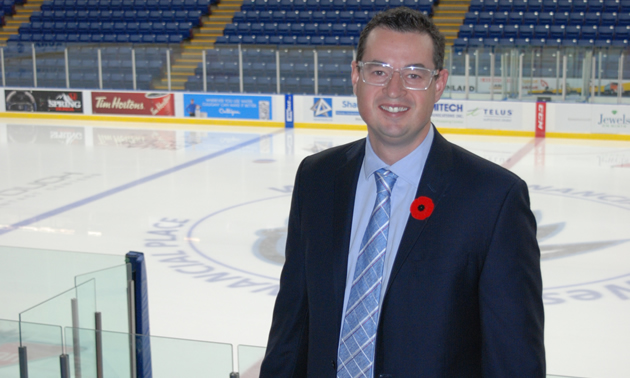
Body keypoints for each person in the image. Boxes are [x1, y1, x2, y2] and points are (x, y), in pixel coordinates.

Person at [260, 7, 545, 378]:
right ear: (355, 76)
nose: (394, 90)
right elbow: (291, 327)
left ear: (438, 84)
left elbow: (514, 361)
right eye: (378, 71)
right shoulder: (316, 178)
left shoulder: (494, 199)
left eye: (414, 74)